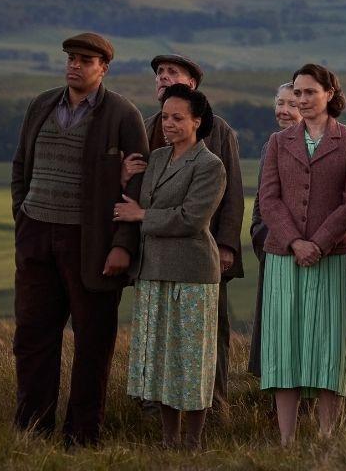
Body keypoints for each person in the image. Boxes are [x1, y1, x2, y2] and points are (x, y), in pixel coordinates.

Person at [11, 32, 148, 446]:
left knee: (93, 342)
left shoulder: (123, 114)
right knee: (33, 338)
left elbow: (136, 186)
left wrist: (123, 243)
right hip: (36, 233)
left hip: (91, 243)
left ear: (103, 68)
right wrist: (22, 215)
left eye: (85, 60)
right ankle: (32, 431)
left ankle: (82, 436)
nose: (75, 64)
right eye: (71, 57)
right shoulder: (41, 104)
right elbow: (22, 165)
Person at [124, 54, 243, 408]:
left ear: (193, 85)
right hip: (155, 251)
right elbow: (135, 195)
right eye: (159, 73)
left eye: (172, 72)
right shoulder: (147, 127)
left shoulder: (217, 129)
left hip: (200, 248)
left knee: (206, 334)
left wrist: (226, 245)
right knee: (155, 330)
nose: (163, 77)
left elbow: (233, 192)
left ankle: (212, 403)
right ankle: (154, 405)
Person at [258, 65, 346, 444]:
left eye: (309, 93)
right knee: (283, 344)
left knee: (328, 345)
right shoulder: (277, 142)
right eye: (298, 93)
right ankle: (286, 440)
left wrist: (318, 243)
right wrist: (294, 242)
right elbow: (268, 199)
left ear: (329, 94)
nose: (302, 100)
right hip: (284, 257)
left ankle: (326, 436)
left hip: (333, 257)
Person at [115, 83, 226, 448]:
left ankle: (193, 440)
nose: (169, 124)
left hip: (192, 273)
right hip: (154, 269)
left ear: (197, 121)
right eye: (165, 117)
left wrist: (141, 215)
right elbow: (138, 195)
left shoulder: (210, 165)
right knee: (162, 361)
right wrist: (122, 177)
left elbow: (191, 218)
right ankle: (168, 439)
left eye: (178, 117)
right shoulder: (158, 158)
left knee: (190, 362)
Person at [248, 82, 300, 377]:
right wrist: (261, 233)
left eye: (292, 104)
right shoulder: (272, 144)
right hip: (273, 248)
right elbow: (260, 200)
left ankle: (306, 404)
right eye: (280, 103)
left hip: (307, 252)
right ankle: (277, 399)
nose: (284, 110)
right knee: (274, 325)